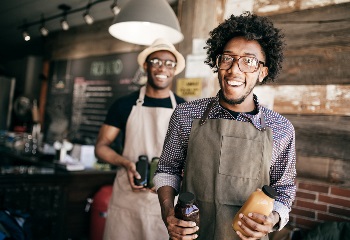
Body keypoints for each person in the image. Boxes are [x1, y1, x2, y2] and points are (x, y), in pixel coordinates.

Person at [154, 12, 296, 240]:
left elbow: (284, 190)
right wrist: (168, 213)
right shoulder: (186, 114)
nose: (234, 70)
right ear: (217, 62)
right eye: (227, 58)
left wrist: (273, 219)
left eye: (248, 61)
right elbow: (167, 171)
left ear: (263, 72)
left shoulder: (281, 128)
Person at [94, 38, 186, 240]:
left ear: (174, 69)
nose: (163, 68)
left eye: (169, 63)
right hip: (128, 198)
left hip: (166, 200)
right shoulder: (124, 105)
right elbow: (101, 147)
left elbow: (193, 155)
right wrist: (125, 163)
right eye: (156, 61)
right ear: (146, 65)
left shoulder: (184, 109)